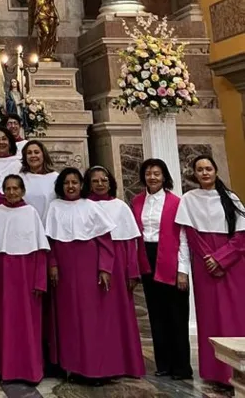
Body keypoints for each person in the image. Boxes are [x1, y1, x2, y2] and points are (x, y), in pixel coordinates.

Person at [45, 167, 121, 383]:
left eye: (75, 183)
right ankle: (73, 367)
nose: (71, 187)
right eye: (67, 183)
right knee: (69, 320)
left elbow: (105, 243)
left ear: (81, 185)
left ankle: (96, 368)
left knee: (92, 320)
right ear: (61, 186)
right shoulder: (54, 207)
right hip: (64, 272)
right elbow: (50, 241)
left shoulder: (92, 207)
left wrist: (104, 269)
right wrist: (53, 265)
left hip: (89, 271)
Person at [175, 154, 245, 386]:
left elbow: (240, 238)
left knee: (235, 315)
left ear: (215, 171)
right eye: (200, 169)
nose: (204, 173)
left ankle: (238, 369)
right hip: (204, 265)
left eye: (208, 169)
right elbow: (190, 234)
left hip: (232, 265)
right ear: (194, 174)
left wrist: (220, 258)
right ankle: (216, 372)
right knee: (210, 316)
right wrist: (208, 258)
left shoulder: (231, 199)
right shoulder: (189, 199)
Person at [130, 158, 192, 380]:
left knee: (176, 314)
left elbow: (183, 237)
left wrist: (183, 270)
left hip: (171, 260)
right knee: (156, 314)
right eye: (148, 173)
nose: (152, 177)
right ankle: (163, 364)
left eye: (156, 173)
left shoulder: (176, 202)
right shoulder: (136, 202)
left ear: (164, 176)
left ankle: (181, 367)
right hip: (147, 258)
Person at [83, 165, 145, 378]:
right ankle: (101, 362)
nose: (100, 184)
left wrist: (132, 272)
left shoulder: (120, 207)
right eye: (95, 181)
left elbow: (129, 242)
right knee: (97, 317)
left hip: (118, 265)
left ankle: (124, 363)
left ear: (111, 183)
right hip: (92, 265)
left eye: (104, 180)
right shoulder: (84, 205)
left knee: (120, 317)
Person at [0, 175, 49, 383]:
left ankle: (31, 371)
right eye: (8, 188)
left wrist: (40, 281)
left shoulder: (31, 212)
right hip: (5, 274)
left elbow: (41, 250)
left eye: (16, 188)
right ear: (3, 191)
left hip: (28, 274)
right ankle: (7, 370)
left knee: (30, 325)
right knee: (6, 324)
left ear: (23, 191)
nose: (12, 192)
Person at [20, 140, 58, 221]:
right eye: (29, 153)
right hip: (26, 224)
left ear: (43, 155)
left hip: (49, 226)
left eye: (36, 152)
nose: (33, 155)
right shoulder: (20, 178)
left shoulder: (55, 178)